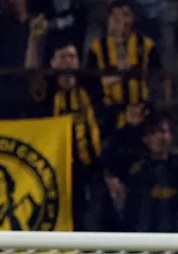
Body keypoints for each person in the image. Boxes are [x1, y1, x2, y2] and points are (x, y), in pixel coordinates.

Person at [28, 31, 104, 226]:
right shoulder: (48, 90)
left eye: (73, 57)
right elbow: (31, 74)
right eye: (63, 57)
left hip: (87, 170)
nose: (69, 62)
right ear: (52, 63)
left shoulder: (89, 88)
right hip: (53, 172)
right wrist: (35, 39)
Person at [87, 0, 162, 134]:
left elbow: (157, 80)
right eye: (116, 16)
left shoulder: (147, 46)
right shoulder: (96, 49)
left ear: (132, 18)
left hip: (141, 111)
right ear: (109, 19)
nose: (121, 21)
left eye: (125, 15)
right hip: (108, 113)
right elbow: (91, 85)